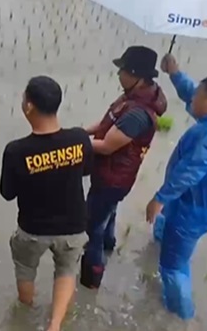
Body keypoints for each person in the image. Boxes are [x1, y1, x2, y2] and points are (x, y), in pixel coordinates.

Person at [146, 53, 207, 320]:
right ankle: (158, 240)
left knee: (172, 267)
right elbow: (192, 94)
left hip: (195, 209)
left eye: (199, 97)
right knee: (164, 226)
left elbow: (190, 172)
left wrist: (159, 197)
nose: (193, 100)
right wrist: (175, 73)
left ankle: (181, 316)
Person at [0, 76, 92, 331]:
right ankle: (54, 325)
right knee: (66, 271)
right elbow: (85, 170)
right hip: (73, 226)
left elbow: (7, 193)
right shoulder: (80, 139)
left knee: (25, 268)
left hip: (33, 229)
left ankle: (25, 314)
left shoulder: (16, 150)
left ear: (29, 106)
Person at [80, 46, 168, 290]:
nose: (118, 74)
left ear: (135, 74)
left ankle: (91, 280)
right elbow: (107, 121)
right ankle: (109, 245)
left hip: (112, 179)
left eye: (122, 70)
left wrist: (74, 144)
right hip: (115, 176)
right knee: (108, 213)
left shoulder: (137, 114)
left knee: (92, 228)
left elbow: (108, 146)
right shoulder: (132, 97)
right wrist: (81, 132)